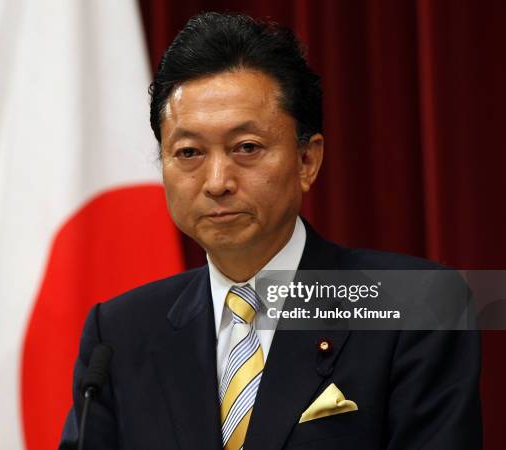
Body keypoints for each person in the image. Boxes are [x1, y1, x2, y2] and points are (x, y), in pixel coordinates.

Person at [59, 12, 481, 450]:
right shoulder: (121, 334)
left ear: (307, 161)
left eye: (246, 148)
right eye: (189, 152)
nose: (217, 181)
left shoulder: (419, 306)